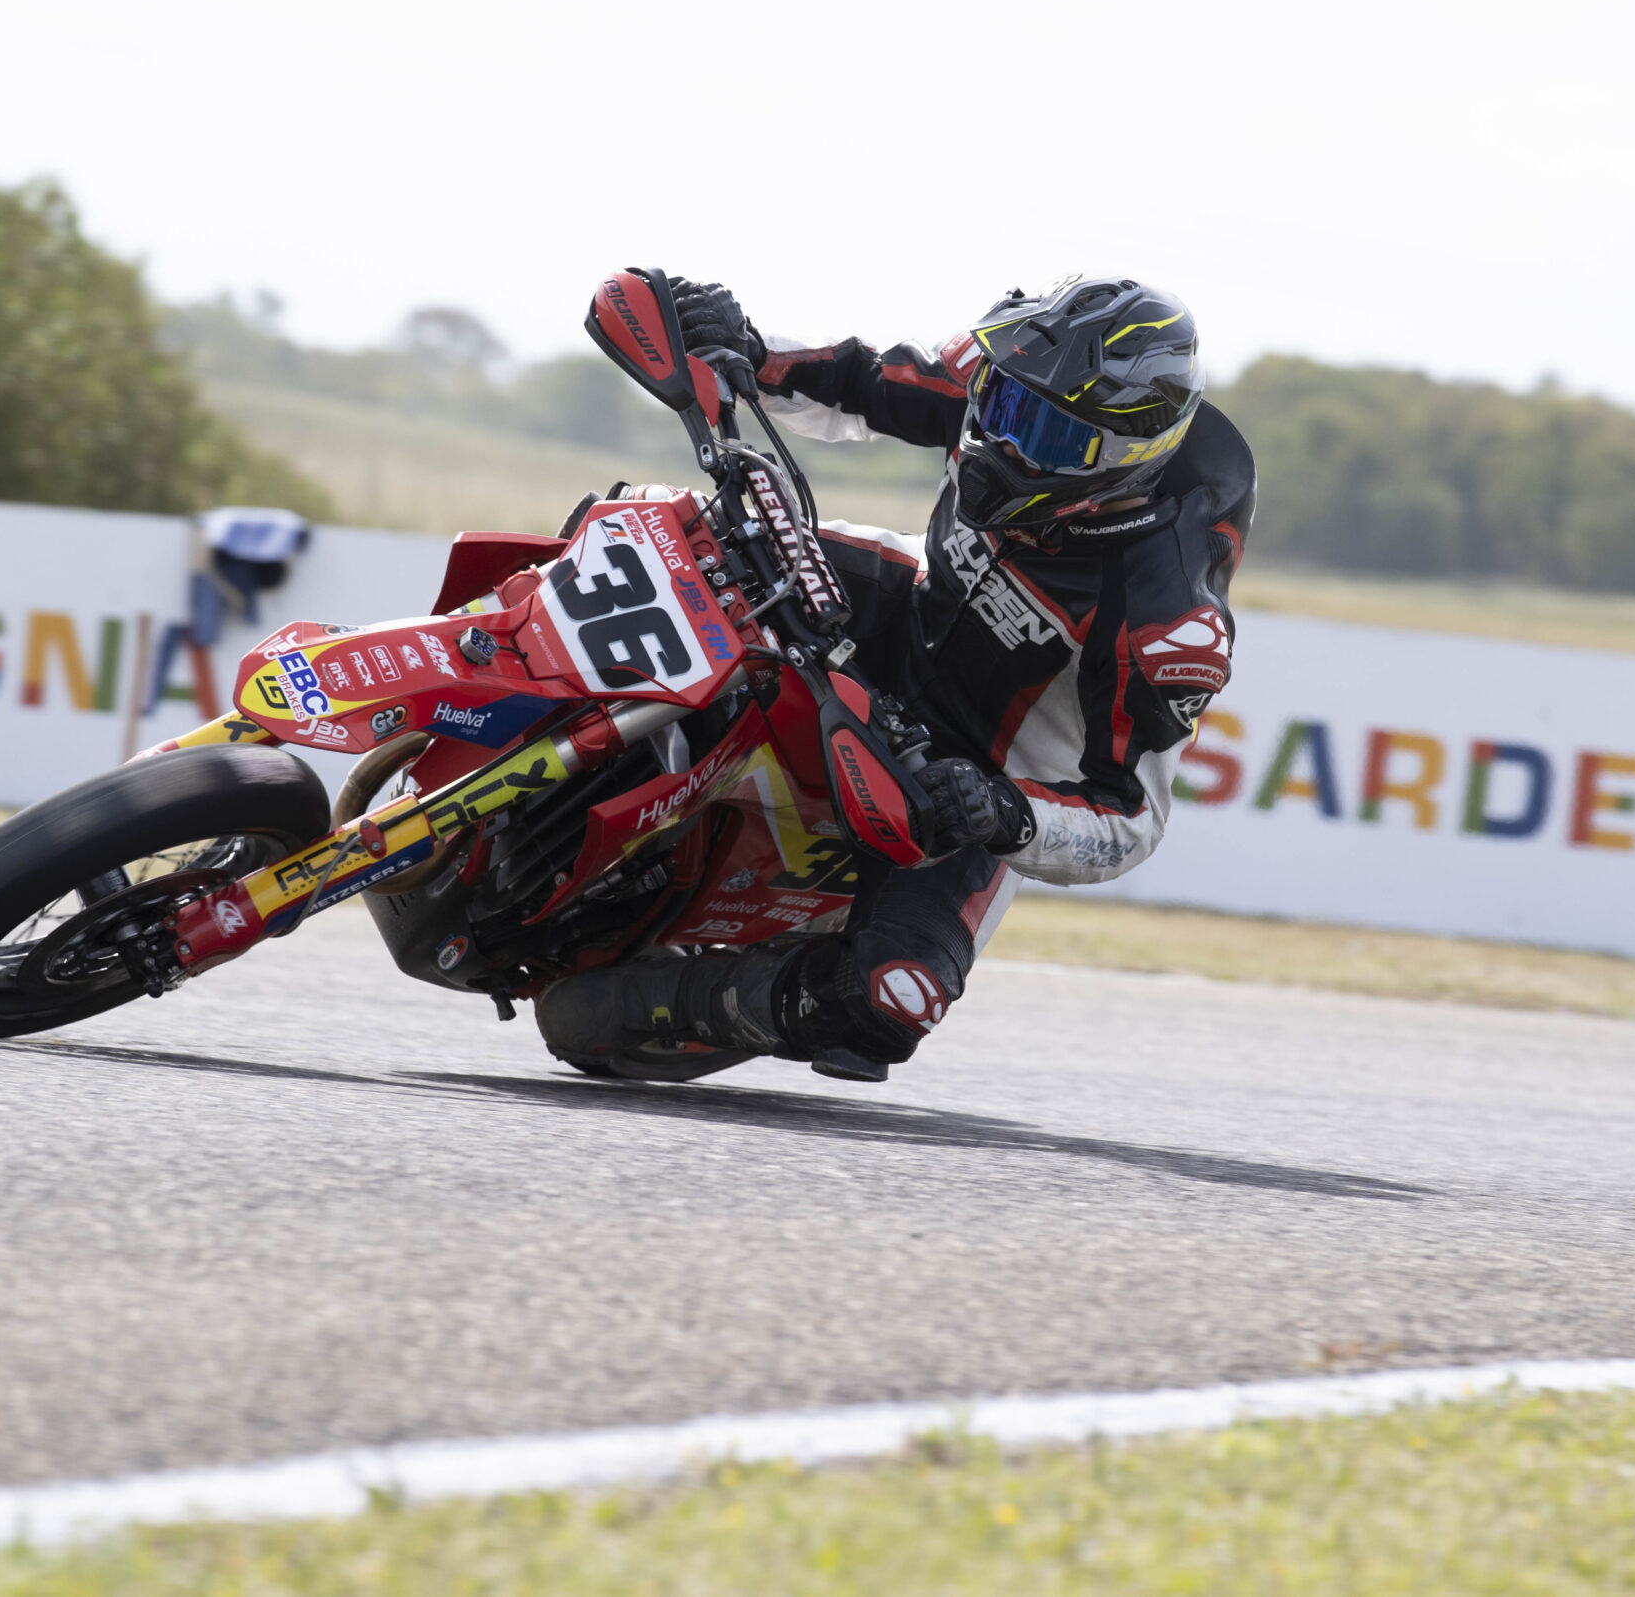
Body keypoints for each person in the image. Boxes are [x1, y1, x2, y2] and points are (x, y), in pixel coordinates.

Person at [535, 274, 1258, 1082]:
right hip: (895, 606)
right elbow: (861, 382)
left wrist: (1002, 811)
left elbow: (1132, 817)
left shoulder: (1170, 620)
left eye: (1046, 434)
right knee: (665, 524)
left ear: (1125, 460)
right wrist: (747, 347)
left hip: (971, 776)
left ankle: (692, 997)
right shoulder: (1002, 374)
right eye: (1004, 405)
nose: (1002, 441)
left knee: (892, 998)